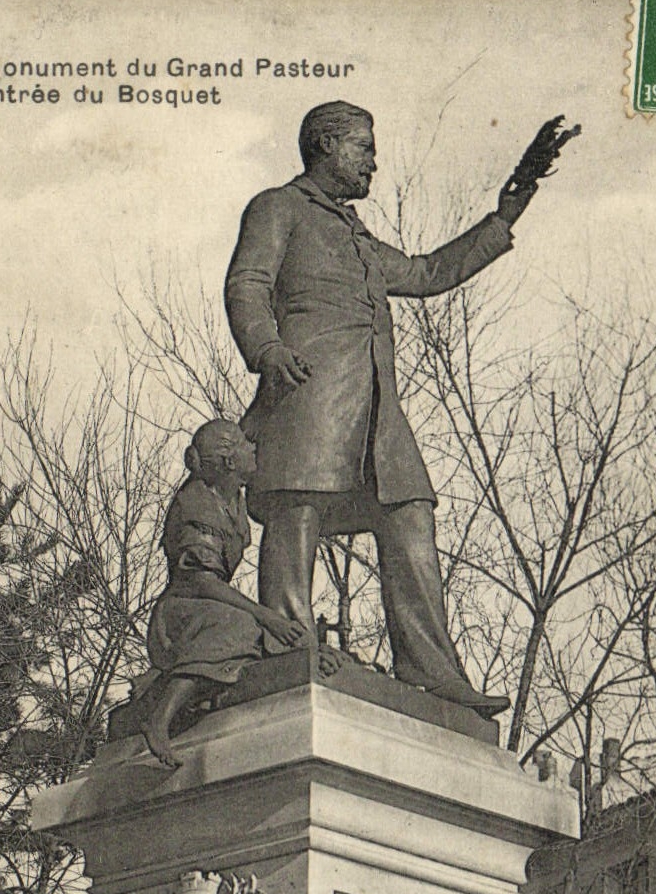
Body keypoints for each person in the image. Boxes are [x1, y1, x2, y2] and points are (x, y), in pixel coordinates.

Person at [224, 101, 544, 714]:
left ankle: (430, 670)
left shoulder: (358, 236)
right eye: (364, 147)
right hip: (307, 394)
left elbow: (425, 272)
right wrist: (266, 348)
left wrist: (503, 217)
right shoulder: (278, 207)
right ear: (326, 145)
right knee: (299, 511)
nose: (375, 160)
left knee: (409, 514)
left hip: (376, 417)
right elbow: (247, 283)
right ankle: (289, 645)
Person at [138, 419, 311, 767]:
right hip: (179, 614)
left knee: (263, 633)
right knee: (241, 626)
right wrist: (267, 616)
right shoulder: (196, 503)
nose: (255, 449)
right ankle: (160, 719)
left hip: (207, 606)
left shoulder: (234, 502)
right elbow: (200, 581)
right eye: (247, 445)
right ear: (230, 462)